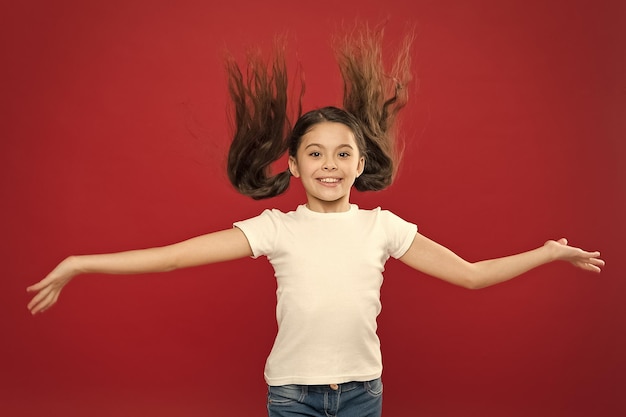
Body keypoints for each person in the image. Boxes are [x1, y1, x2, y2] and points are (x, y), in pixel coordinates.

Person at [26, 26, 604, 417]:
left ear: (362, 162)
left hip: (362, 394)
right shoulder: (277, 228)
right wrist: (81, 262)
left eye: (342, 153)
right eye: (315, 153)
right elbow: (174, 255)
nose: (329, 164)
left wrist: (548, 253)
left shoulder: (384, 227)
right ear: (295, 165)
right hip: (291, 396)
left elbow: (472, 276)